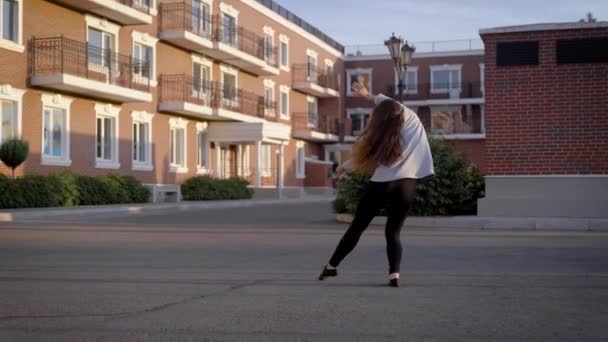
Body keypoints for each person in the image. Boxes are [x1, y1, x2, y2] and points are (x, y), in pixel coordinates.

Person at [318, 82, 435, 287]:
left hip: (381, 183)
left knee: (357, 228)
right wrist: (368, 95)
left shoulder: (382, 135)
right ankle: (394, 274)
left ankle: (331, 266)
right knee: (393, 232)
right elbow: (386, 102)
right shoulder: (410, 117)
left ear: (380, 119)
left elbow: (369, 153)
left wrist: (345, 165)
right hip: (406, 184)